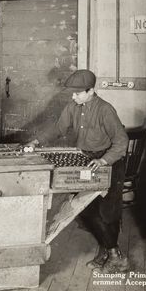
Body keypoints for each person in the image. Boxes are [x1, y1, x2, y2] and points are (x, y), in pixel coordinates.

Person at [24, 69, 129, 273]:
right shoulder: (73, 106)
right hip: (88, 161)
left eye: (77, 93)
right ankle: (108, 252)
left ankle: (117, 258)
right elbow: (58, 128)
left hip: (109, 163)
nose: (73, 97)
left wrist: (104, 160)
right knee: (86, 210)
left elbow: (121, 141)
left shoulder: (105, 110)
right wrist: (36, 141)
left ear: (91, 91)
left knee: (107, 213)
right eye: (72, 93)